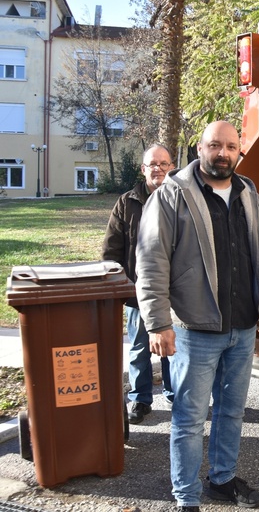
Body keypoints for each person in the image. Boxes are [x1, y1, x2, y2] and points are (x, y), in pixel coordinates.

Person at [135, 120, 259, 511]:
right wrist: (158, 323)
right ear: (199, 149)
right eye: (214, 145)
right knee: (189, 418)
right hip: (193, 329)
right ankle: (186, 498)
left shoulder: (248, 192)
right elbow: (151, 262)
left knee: (232, 411)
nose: (222, 153)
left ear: (240, 152)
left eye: (230, 146)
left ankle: (221, 479)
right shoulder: (172, 194)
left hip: (241, 327)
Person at [101, 144, 174, 424]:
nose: (158, 168)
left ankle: (174, 395)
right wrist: (123, 286)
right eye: (152, 164)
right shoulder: (127, 202)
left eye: (163, 164)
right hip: (137, 292)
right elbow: (111, 250)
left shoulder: (180, 198)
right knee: (140, 348)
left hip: (175, 293)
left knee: (173, 348)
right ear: (143, 169)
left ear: (171, 168)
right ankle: (140, 399)